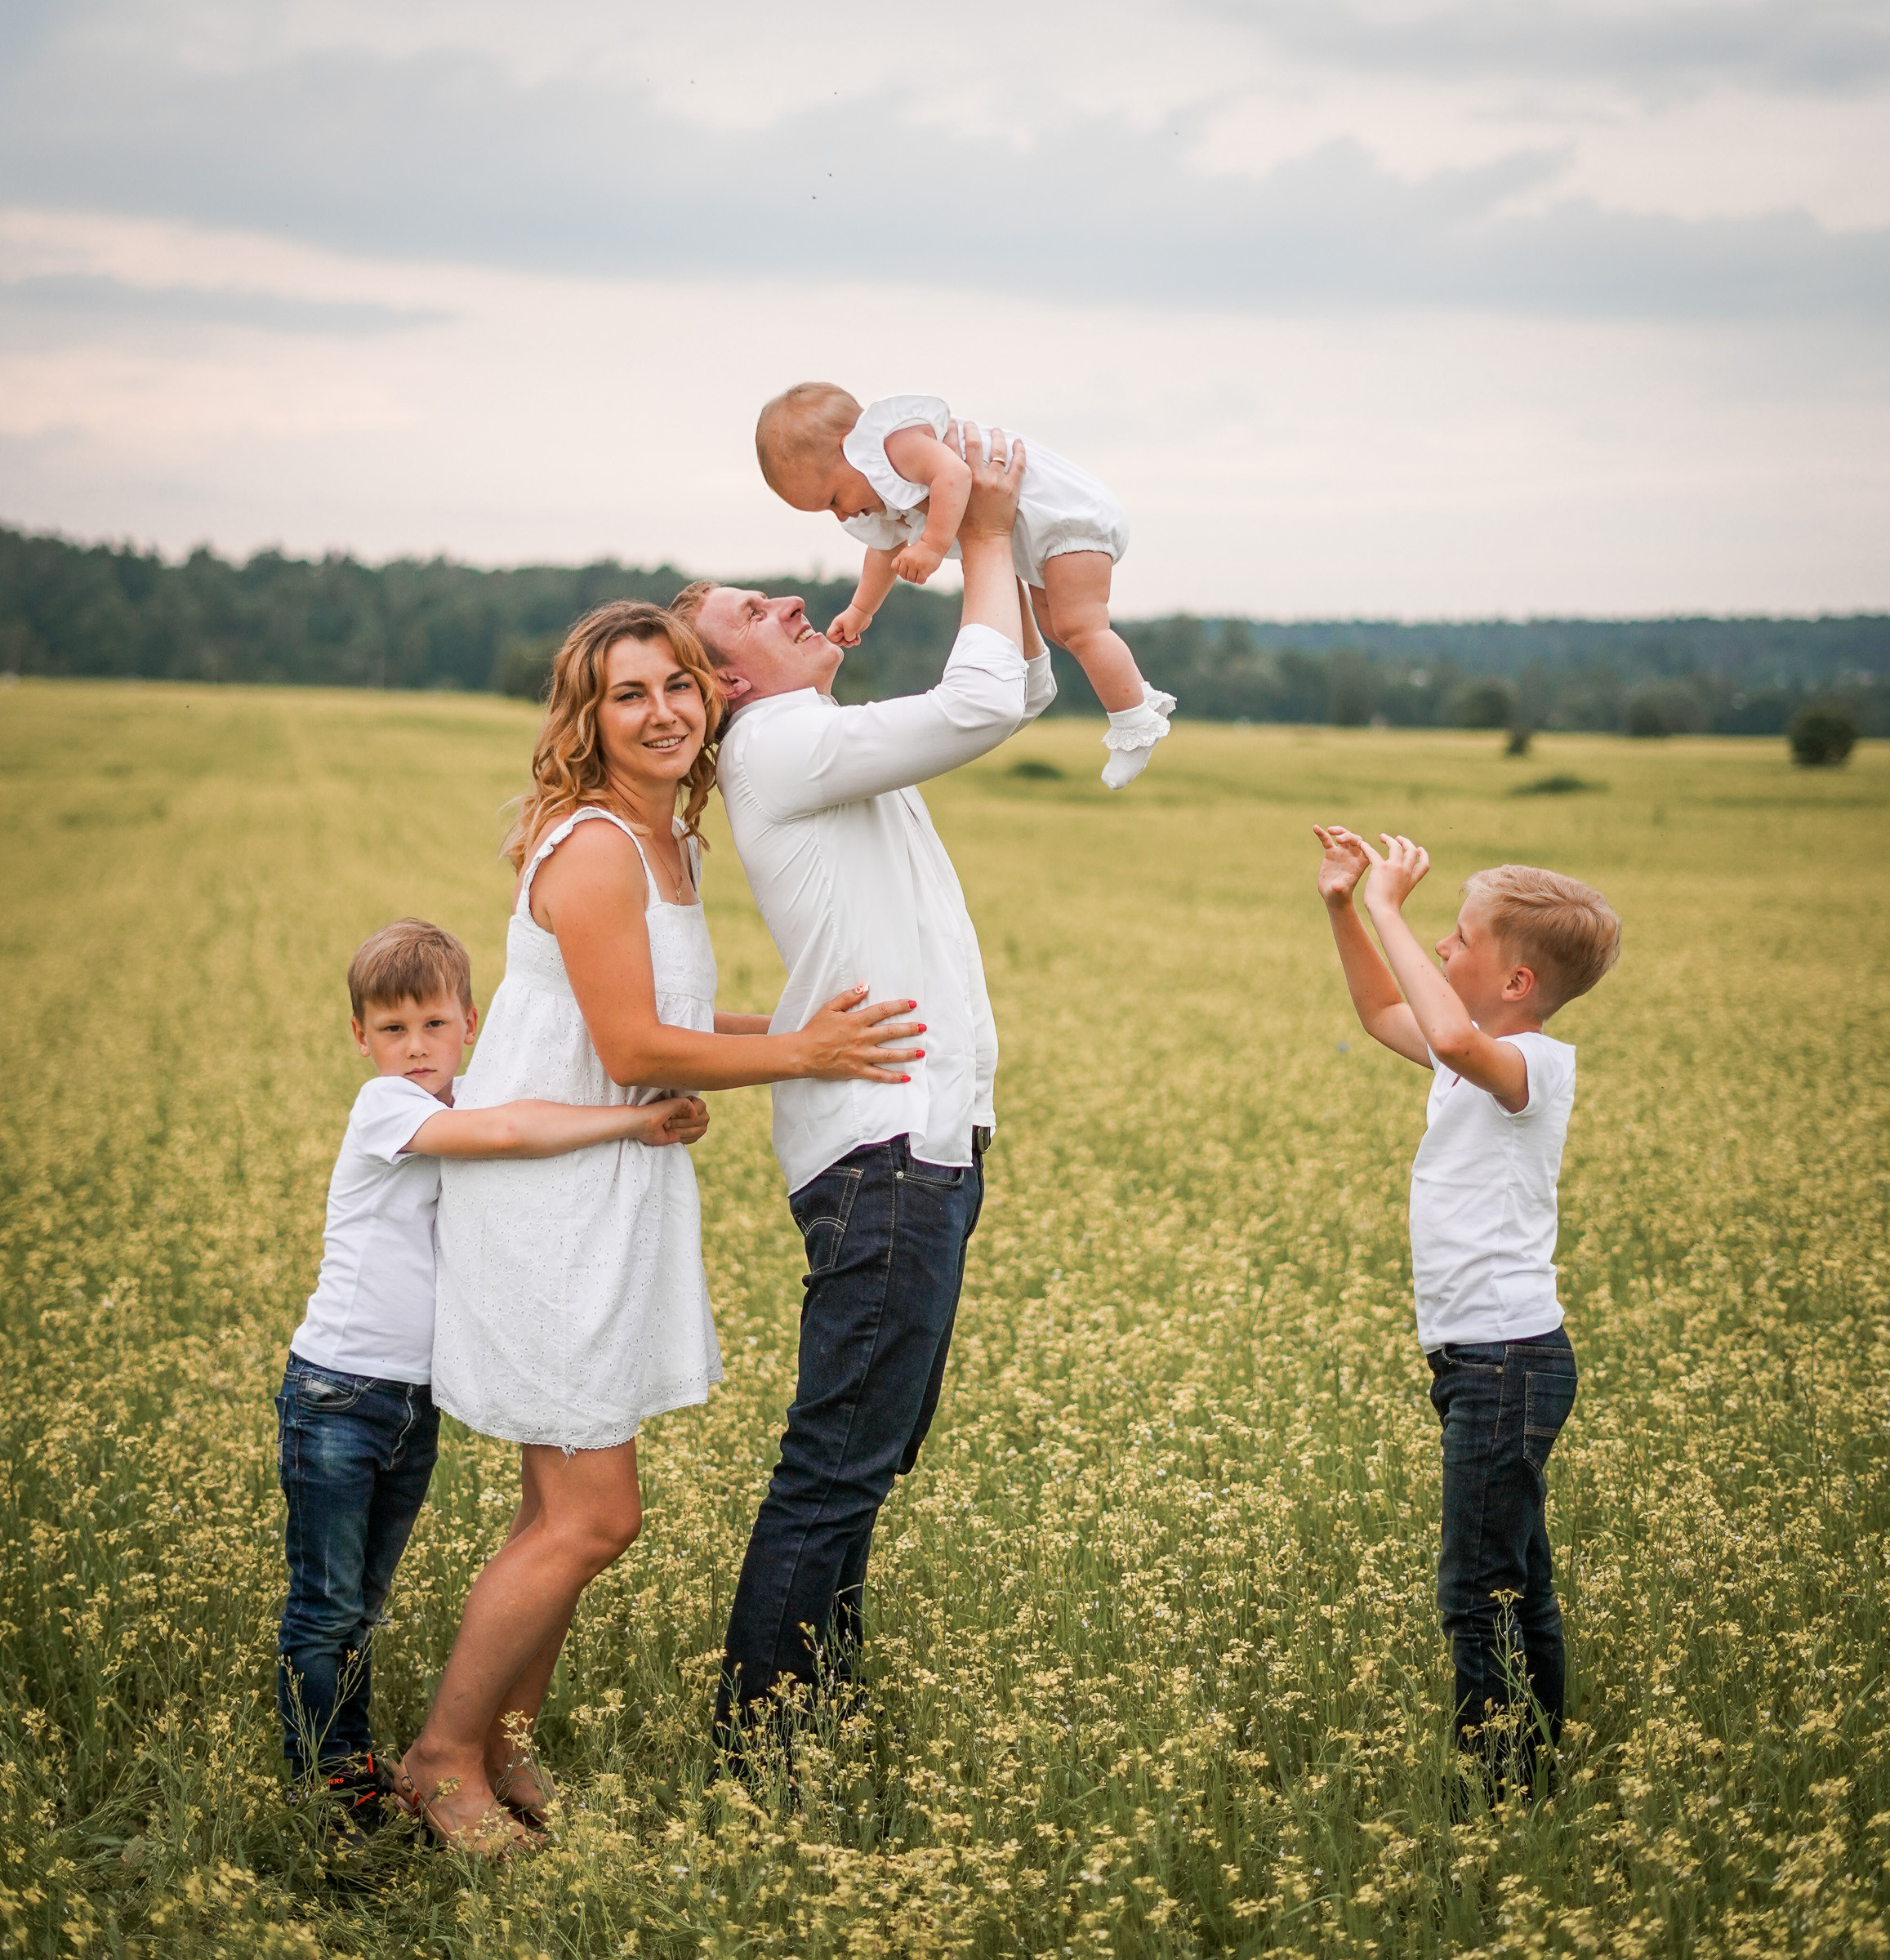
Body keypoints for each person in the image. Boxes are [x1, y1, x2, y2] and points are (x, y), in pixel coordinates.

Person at [394, 602, 922, 1853]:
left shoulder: (665, 846)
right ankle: (438, 1761)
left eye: (680, 685)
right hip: (550, 1207)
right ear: (590, 720)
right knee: (592, 1519)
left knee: (551, 1515)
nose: (664, 712)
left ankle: (506, 1754)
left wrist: (805, 1042)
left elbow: (659, 1019)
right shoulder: (591, 849)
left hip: (606, 1188)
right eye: (630, 695)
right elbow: (631, 1049)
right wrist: (803, 1048)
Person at [671, 423, 1054, 1760]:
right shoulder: (779, 741)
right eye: (754, 612)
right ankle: (766, 1745)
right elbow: (982, 703)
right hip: (883, 1150)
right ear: (728, 679)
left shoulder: (807, 731)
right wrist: (986, 536)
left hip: (916, 1142)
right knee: (835, 1468)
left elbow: (1018, 688)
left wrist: (1010, 560)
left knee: (863, 1464)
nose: (794, 597)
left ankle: (805, 1718)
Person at [277, 916, 709, 1832]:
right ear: (360, 1038)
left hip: (405, 1401)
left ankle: (365, 1760)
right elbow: (515, 1129)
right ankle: (332, 1782)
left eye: (434, 1025)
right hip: (339, 1393)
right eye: (392, 1030)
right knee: (327, 1605)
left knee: (365, 1600)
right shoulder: (389, 1108)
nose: (415, 1048)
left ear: (471, 1023)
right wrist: (639, 1120)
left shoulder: (460, 1092)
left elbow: (556, 1075)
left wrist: (734, 1039)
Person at [1313, 826, 1621, 1788]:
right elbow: (1378, 1012)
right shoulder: (1470, 1057)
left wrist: (1388, 906)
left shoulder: (1534, 1066)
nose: (1439, 951)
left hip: (1508, 1363)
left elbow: (1445, 1028)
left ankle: (1502, 1786)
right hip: (1480, 1364)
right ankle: (1536, 1761)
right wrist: (1342, 906)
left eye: (1456, 939)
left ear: (1516, 984)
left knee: (1474, 1590)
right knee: (1517, 1581)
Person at [754, 384, 1174, 787]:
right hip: (1038, 539)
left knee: (1082, 628)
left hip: (1066, 517)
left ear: (850, 446)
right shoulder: (875, 486)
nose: (843, 515)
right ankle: (1137, 697)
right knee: (1060, 629)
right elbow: (883, 549)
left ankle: (1133, 722)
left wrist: (933, 546)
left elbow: (954, 475)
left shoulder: (892, 446)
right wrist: (861, 610)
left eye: (832, 499)